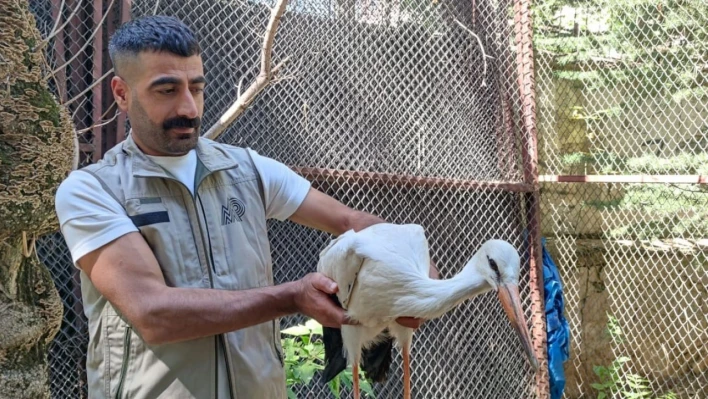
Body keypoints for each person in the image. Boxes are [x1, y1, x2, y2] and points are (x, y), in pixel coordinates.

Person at [55, 15, 436, 399]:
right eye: (166, 90)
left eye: (197, 88)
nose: (189, 107)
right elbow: (153, 312)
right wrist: (291, 298)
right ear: (121, 93)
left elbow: (351, 221)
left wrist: (414, 263)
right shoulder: (91, 190)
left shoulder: (247, 169)